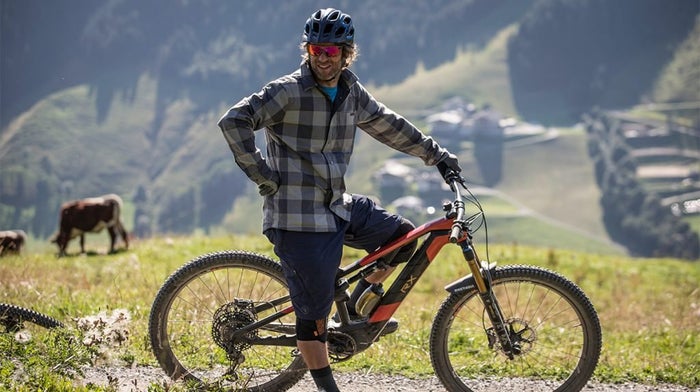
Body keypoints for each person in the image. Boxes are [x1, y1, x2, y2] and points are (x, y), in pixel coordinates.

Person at [218, 8, 461, 392]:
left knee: (402, 239)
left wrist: (438, 156)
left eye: (332, 50)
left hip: (336, 205)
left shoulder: (351, 93)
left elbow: (389, 125)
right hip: (298, 217)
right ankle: (326, 385)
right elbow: (234, 120)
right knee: (313, 318)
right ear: (308, 50)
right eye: (316, 48)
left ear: (347, 52)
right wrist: (262, 175)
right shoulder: (287, 91)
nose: (323, 57)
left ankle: (361, 303)